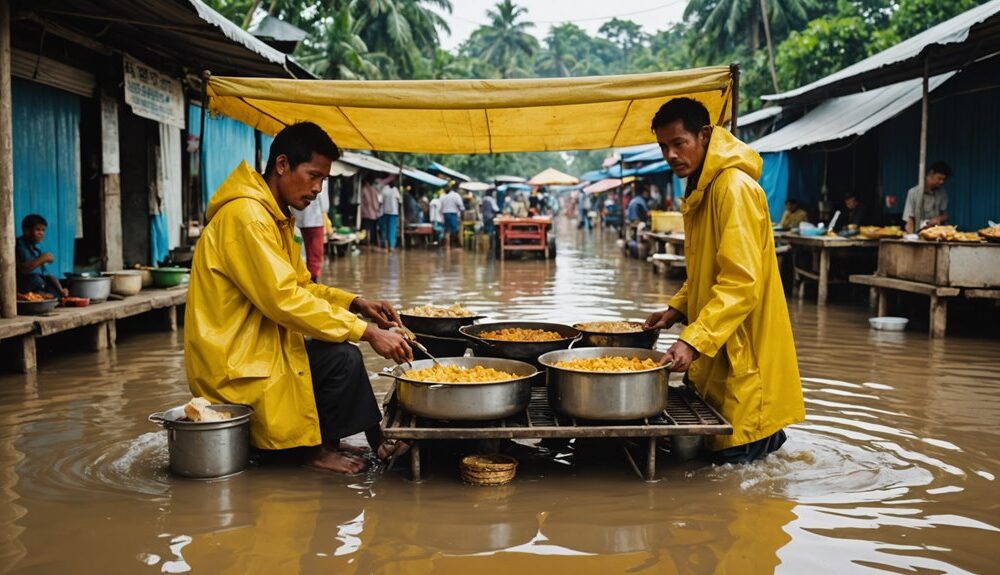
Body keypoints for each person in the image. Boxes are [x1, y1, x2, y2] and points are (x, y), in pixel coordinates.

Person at [184, 122, 413, 475]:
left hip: (261, 350)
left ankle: (375, 440)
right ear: (282, 165)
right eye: (313, 176)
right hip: (236, 364)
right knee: (345, 353)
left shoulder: (273, 217)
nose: (317, 189)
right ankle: (314, 453)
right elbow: (284, 299)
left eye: (324, 180)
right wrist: (367, 332)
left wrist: (355, 303)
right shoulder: (247, 218)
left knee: (342, 357)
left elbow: (300, 286)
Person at [643, 98, 804, 464]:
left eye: (678, 143)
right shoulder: (703, 189)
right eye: (663, 146)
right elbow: (705, 272)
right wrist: (675, 309)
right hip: (720, 356)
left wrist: (693, 341)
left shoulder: (732, 189)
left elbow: (740, 283)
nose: (670, 154)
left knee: (743, 495)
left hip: (744, 360)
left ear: (704, 135)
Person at [15, 214, 67, 297]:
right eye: (38, 230)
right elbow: (23, 269)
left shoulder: (37, 251)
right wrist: (43, 258)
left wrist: (61, 289)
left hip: (38, 284)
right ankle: (38, 295)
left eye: (43, 230)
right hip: (24, 284)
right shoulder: (18, 244)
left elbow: (48, 274)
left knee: (58, 288)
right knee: (35, 279)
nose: (41, 233)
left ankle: (44, 295)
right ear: (26, 231)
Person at [289, 179, 330, 282]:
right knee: (315, 255)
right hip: (314, 221)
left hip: (296, 221)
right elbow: (324, 205)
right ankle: (312, 281)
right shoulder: (321, 180)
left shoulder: (294, 178)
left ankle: (305, 280)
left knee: (298, 253)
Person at [903, 161, 950, 233]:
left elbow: (945, 215)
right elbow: (909, 220)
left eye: (944, 180)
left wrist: (938, 219)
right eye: (939, 178)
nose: (942, 182)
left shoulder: (942, 193)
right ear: (931, 173)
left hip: (937, 233)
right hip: (919, 231)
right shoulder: (914, 192)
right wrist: (913, 236)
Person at [378, 176, 402, 251]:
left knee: (385, 229)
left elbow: (380, 201)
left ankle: (386, 245)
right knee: (392, 230)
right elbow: (400, 201)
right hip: (393, 213)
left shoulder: (384, 190)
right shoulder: (395, 190)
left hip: (385, 212)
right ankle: (391, 246)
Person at [440, 183, 465, 249]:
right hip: (452, 214)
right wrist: (462, 214)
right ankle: (452, 245)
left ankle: (447, 245)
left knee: (447, 230)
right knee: (453, 230)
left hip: (445, 214)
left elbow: (441, 207)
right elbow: (461, 206)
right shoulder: (456, 195)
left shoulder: (443, 196)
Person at [359, 175, 381, 247]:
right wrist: (377, 210)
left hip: (367, 214)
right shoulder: (374, 190)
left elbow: (361, 202)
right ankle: (373, 243)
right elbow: (377, 202)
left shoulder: (364, 189)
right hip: (374, 214)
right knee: (373, 229)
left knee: (366, 229)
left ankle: (367, 243)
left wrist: (361, 212)